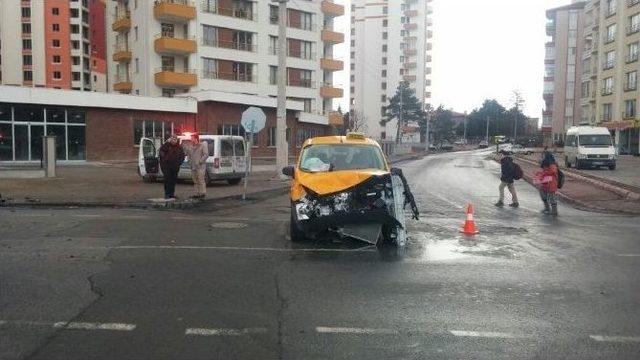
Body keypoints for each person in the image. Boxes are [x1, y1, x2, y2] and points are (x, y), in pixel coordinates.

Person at [158, 135, 185, 200]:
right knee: (167, 180)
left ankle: (171, 194)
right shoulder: (166, 146)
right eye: (172, 139)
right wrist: (164, 160)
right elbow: (161, 152)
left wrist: (179, 162)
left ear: (177, 140)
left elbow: (182, 155)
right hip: (167, 167)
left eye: (175, 139)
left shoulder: (179, 147)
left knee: (173, 181)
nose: (174, 141)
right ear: (170, 139)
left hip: (175, 167)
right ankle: (167, 194)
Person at [186, 133, 209, 199]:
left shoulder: (202, 145)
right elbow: (188, 155)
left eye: (192, 138)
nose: (191, 139)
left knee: (200, 180)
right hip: (193, 166)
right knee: (195, 181)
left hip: (200, 166)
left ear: (195, 138)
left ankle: (202, 193)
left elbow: (206, 154)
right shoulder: (190, 146)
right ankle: (196, 193)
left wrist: (200, 161)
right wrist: (189, 161)